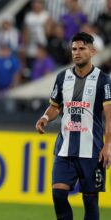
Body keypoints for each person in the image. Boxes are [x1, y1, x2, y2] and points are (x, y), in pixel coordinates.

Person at [35, 32, 111, 220]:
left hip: (92, 150)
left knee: (90, 200)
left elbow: (110, 115)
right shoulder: (62, 78)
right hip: (65, 148)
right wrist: (45, 118)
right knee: (59, 194)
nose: (77, 52)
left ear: (92, 51)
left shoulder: (103, 80)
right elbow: (55, 106)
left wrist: (108, 145)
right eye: (74, 49)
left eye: (82, 48)